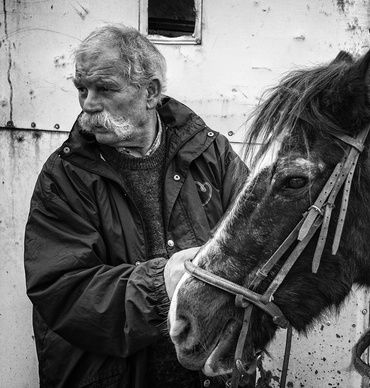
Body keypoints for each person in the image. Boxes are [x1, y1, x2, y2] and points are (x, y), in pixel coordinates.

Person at [24, 24, 249, 388]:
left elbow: (256, 241)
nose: (88, 104)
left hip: (203, 375)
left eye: (105, 89)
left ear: (151, 92)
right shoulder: (64, 175)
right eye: (82, 89)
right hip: (111, 376)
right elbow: (63, 289)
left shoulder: (211, 153)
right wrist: (163, 282)